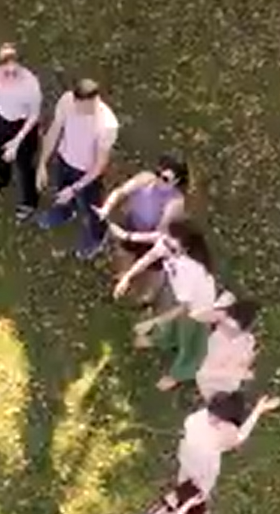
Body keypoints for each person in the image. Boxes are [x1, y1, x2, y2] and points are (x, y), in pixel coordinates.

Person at [114, 217, 221, 391]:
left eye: (171, 248)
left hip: (198, 309)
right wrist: (128, 277)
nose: (165, 248)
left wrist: (151, 322)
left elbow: (184, 309)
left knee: (191, 344)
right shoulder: (167, 243)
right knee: (171, 325)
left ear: (185, 249)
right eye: (165, 241)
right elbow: (149, 257)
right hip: (179, 294)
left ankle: (181, 372)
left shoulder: (191, 268)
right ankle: (164, 340)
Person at [36, 78, 120, 258]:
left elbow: (99, 165)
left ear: (95, 100)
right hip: (64, 160)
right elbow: (54, 131)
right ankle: (65, 212)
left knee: (92, 210)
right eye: (77, 106)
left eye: (84, 108)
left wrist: (75, 189)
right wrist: (42, 164)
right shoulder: (67, 101)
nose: (79, 112)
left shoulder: (107, 125)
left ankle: (97, 236)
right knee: (61, 192)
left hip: (87, 173)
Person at [101, 156, 190, 302]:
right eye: (157, 173)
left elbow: (160, 235)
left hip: (154, 241)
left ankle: (147, 297)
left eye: (165, 179)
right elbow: (121, 191)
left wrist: (127, 236)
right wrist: (107, 207)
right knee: (125, 254)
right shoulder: (145, 178)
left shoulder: (175, 202)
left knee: (152, 268)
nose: (158, 180)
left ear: (177, 182)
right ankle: (123, 280)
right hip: (133, 224)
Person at [0, 43, 43, 219]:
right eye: (6, 72)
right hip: (1, 120)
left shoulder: (31, 83)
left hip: (24, 127)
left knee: (25, 166)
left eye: (15, 72)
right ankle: (0, 181)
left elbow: (34, 115)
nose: (11, 76)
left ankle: (29, 201)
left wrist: (17, 142)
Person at [177, 391, 280, 495]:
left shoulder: (195, 418)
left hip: (187, 455)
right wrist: (258, 411)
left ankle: (181, 493)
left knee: (184, 479)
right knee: (200, 491)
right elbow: (240, 437)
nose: (212, 420)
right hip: (205, 466)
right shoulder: (226, 431)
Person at [196, 298, 260, 401]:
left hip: (225, 378)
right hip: (214, 379)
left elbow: (245, 361)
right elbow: (212, 372)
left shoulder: (247, 339)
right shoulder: (222, 334)